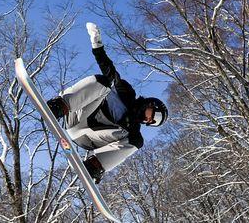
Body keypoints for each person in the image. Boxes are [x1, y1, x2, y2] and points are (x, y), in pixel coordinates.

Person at [46, 22, 168, 183]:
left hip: (88, 137)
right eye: (153, 116)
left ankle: (95, 166)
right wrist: (97, 45)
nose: (148, 120)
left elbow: (122, 148)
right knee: (104, 81)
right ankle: (60, 105)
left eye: (152, 123)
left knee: (136, 141)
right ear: (150, 105)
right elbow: (109, 70)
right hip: (77, 115)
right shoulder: (127, 93)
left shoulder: (133, 131)